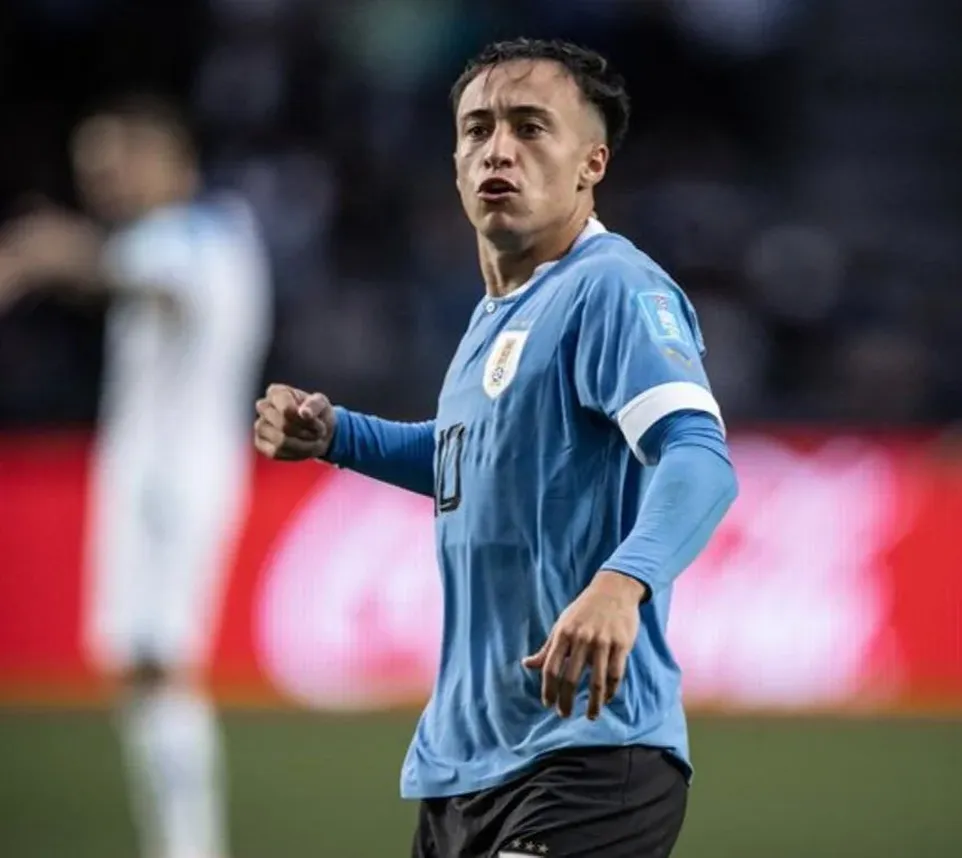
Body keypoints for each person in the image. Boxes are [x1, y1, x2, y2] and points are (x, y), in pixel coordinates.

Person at [255, 38, 738, 858]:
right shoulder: (498, 313)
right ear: (453, 160)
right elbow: (466, 460)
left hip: (588, 751)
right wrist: (338, 436)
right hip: (465, 769)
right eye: (477, 129)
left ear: (592, 162)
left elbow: (698, 453)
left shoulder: (613, 286)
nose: (497, 149)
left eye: (529, 126)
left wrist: (624, 582)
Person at [0, 94, 272, 858]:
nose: (107, 184)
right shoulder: (159, 239)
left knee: (162, 663)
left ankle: (190, 848)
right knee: (135, 665)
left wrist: (51, 252)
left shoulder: (209, 233)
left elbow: (145, 281)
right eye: (94, 172)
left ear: (171, 162)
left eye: (119, 165)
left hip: (182, 479)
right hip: (140, 474)